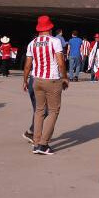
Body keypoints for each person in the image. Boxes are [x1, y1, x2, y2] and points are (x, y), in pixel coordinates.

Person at [23, 16, 67, 155]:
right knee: (53, 111)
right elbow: (60, 62)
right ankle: (43, 144)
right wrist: (65, 78)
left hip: (36, 80)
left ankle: (36, 143)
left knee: (39, 111)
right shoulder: (55, 41)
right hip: (52, 79)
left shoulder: (32, 43)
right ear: (50, 28)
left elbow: (27, 65)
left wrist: (25, 80)